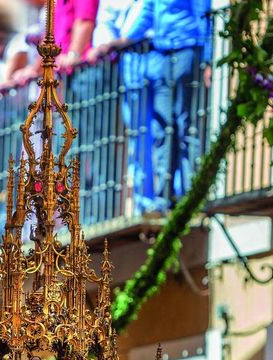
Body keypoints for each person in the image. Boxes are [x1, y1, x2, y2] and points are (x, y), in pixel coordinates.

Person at [125, 0, 211, 213]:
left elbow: (203, 15)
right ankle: (165, 195)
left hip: (187, 50)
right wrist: (123, 41)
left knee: (186, 124)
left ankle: (191, 192)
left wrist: (208, 59)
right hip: (162, 54)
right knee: (163, 127)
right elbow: (148, 12)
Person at [87, 0, 152, 216]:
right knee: (137, 134)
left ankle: (153, 199)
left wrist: (122, 41)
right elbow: (106, 22)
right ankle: (142, 200)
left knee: (154, 132)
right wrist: (107, 46)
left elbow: (146, 14)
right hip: (129, 66)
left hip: (150, 56)